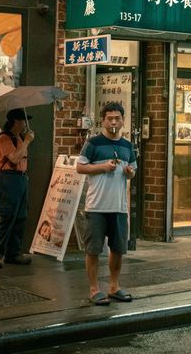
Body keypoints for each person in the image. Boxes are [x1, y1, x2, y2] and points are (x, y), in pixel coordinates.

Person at [76, 102, 137, 306]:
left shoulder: (128, 146)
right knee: (93, 249)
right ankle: (94, 289)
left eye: (117, 118)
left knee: (118, 249)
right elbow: (80, 167)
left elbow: (133, 170)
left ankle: (114, 286)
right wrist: (103, 167)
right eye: (109, 118)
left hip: (119, 206)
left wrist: (129, 173)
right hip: (96, 206)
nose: (113, 121)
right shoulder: (93, 143)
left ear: (122, 120)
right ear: (103, 120)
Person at [0, 108, 35, 268]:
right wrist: (28, 141)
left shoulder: (19, 138)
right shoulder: (4, 138)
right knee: (8, 216)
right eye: (23, 120)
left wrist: (25, 140)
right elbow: (15, 159)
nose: (25, 123)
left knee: (21, 217)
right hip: (9, 179)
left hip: (21, 179)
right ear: (16, 121)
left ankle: (13, 253)